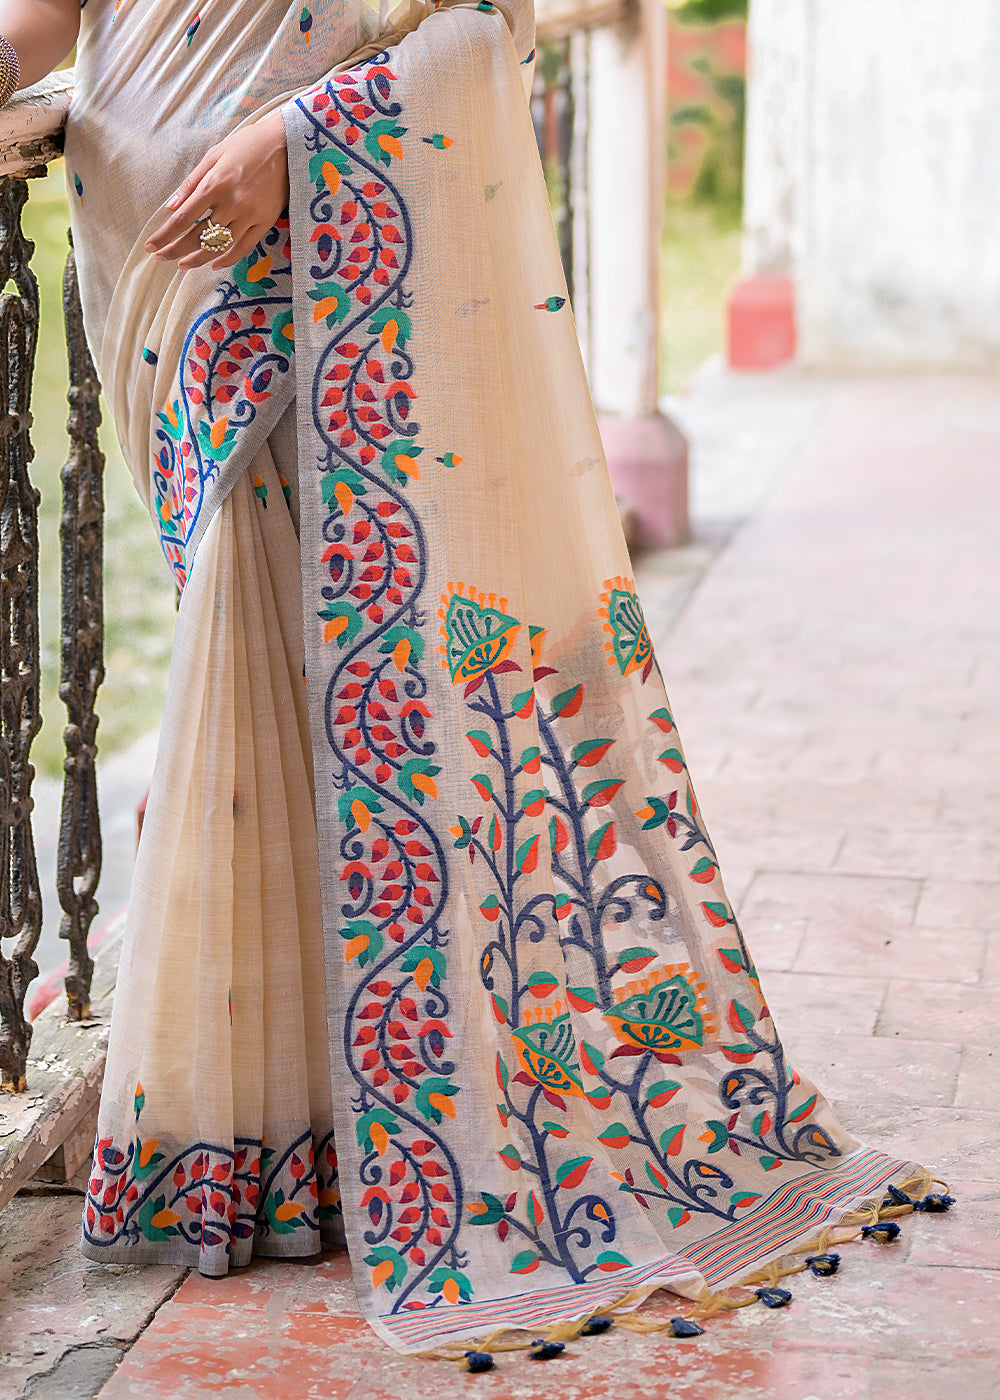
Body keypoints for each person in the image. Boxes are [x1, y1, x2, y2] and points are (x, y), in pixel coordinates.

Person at [0, 0, 938, 1360]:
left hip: (300, 233)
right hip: (158, 275)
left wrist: (300, 132)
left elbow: (488, 33)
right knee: (245, 643)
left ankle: (281, 1127)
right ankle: (277, 1116)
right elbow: (41, 25)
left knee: (282, 646)